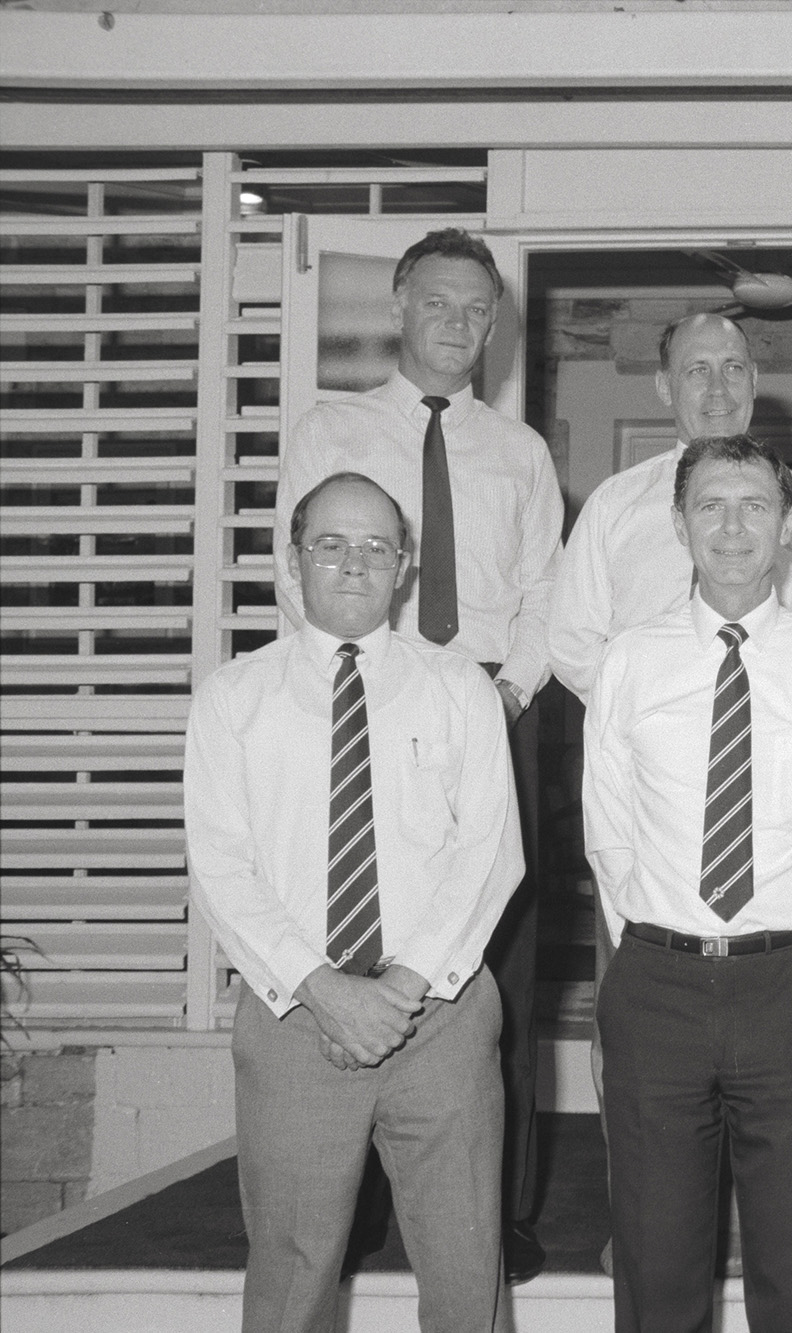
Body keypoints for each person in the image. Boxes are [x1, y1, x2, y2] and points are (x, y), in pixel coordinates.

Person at [273, 226, 562, 1282]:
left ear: (496, 325)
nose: (456, 323)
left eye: (476, 309)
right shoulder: (331, 424)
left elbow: (543, 595)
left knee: (498, 959)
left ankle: (498, 1209)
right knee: (351, 926)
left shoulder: (519, 451)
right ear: (400, 306)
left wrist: (510, 691)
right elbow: (291, 567)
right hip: (363, 706)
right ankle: (342, 1200)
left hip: (493, 704)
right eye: (437, 301)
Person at [187, 472, 522, 1333]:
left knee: (464, 1275)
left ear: (404, 566)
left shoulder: (459, 687)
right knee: (292, 1280)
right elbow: (221, 866)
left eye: (376, 547)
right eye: (330, 544)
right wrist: (327, 990)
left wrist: (400, 986)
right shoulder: (232, 698)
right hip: (296, 1015)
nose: (352, 563)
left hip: (439, 1015)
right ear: (292, 560)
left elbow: (489, 852)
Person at [583, 433, 792, 1333]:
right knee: (656, 1263)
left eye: (755, 504)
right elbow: (610, 833)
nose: (733, 526)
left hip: (791, 983)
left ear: (789, 525)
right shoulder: (629, 661)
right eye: (710, 505)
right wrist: (662, 939)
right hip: (658, 986)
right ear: (679, 523)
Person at [547, 311, 792, 707]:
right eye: (697, 371)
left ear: (754, 380)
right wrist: (642, 707)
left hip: (776, 735)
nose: (718, 390)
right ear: (665, 386)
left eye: (733, 368)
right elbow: (571, 642)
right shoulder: (614, 505)